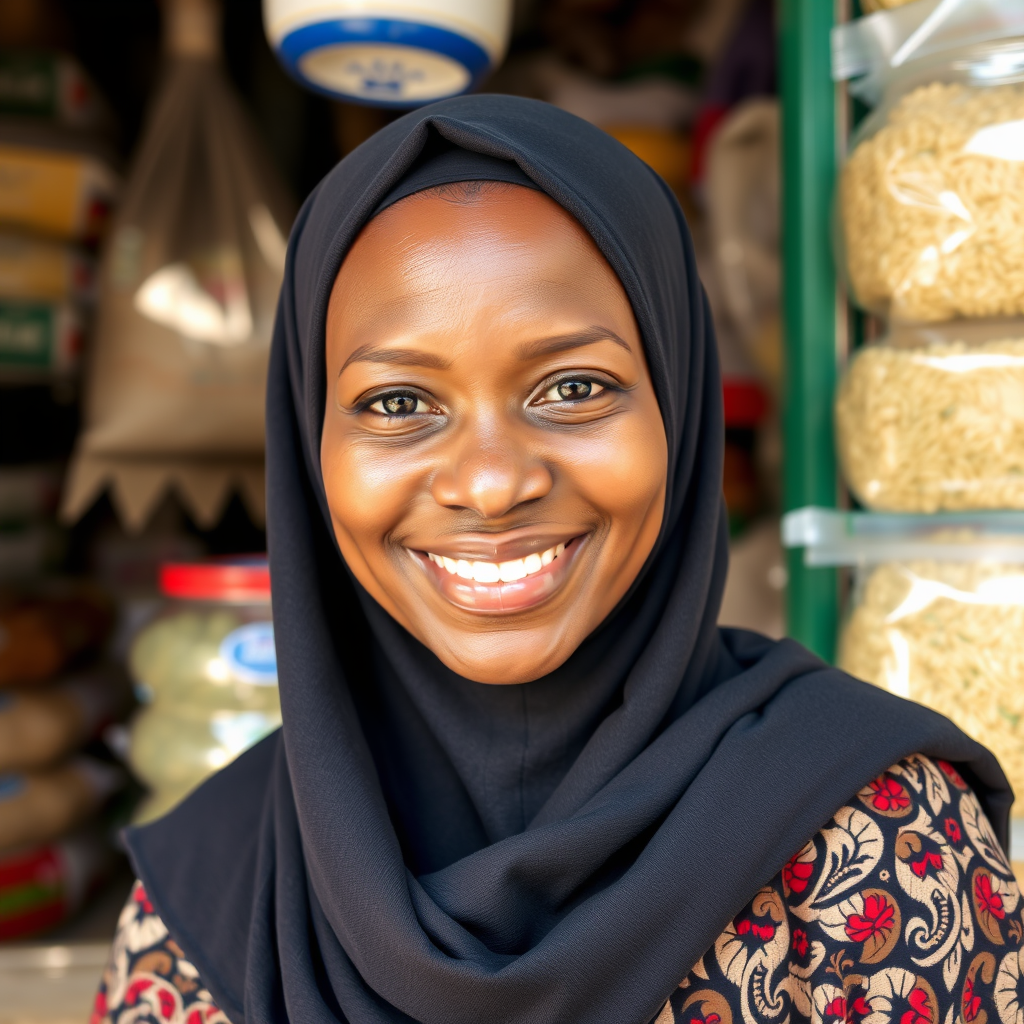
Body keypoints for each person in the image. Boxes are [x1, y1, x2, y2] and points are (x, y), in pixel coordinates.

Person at [93, 96, 1018, 1024]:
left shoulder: (882, 843)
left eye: (573, 388)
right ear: (307, 444)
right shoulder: (205, 907)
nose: (491, 484)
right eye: (397, 404)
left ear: (678, 405)